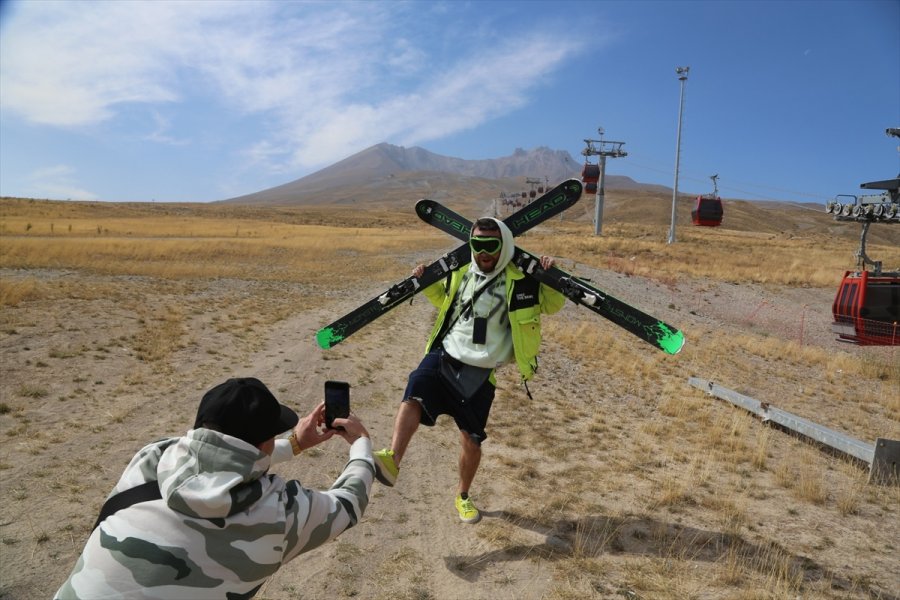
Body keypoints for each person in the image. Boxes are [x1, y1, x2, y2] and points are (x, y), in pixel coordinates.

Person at [55, 377, 374, 599]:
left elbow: (224, 460)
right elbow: (349, 504)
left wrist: (294, 444)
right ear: (264, 444)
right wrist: (361, 443)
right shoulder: (278, 516)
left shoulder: (152, 458)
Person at [372, 217, 564, 523]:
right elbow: (442, 299)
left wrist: (550, 276)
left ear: (505, 245)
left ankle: (462, 495)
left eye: (491, 245)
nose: (483, 252)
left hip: (482, 371)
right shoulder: (461, 270)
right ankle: (393, 459)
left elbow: (552, 306)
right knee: (415, 387)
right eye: (477, 244)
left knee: (471, 441)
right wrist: (426, 280)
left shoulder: (523, 278)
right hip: (446, 354)